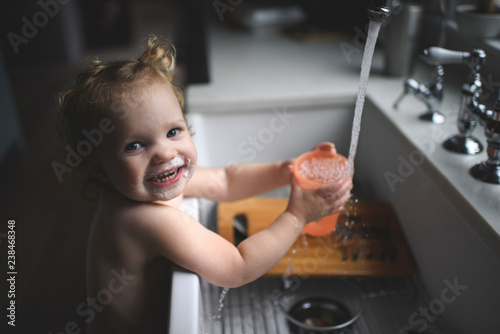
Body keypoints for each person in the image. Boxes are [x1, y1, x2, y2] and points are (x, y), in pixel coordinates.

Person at [56, 36, 352, 333]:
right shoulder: (142, 219)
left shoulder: (150, 181)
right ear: (99, 169)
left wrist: (287, 169)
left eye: (173, 131)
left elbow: (226, 180)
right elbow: (238, 267)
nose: (165, 153)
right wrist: (298, 215)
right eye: (134, 145)